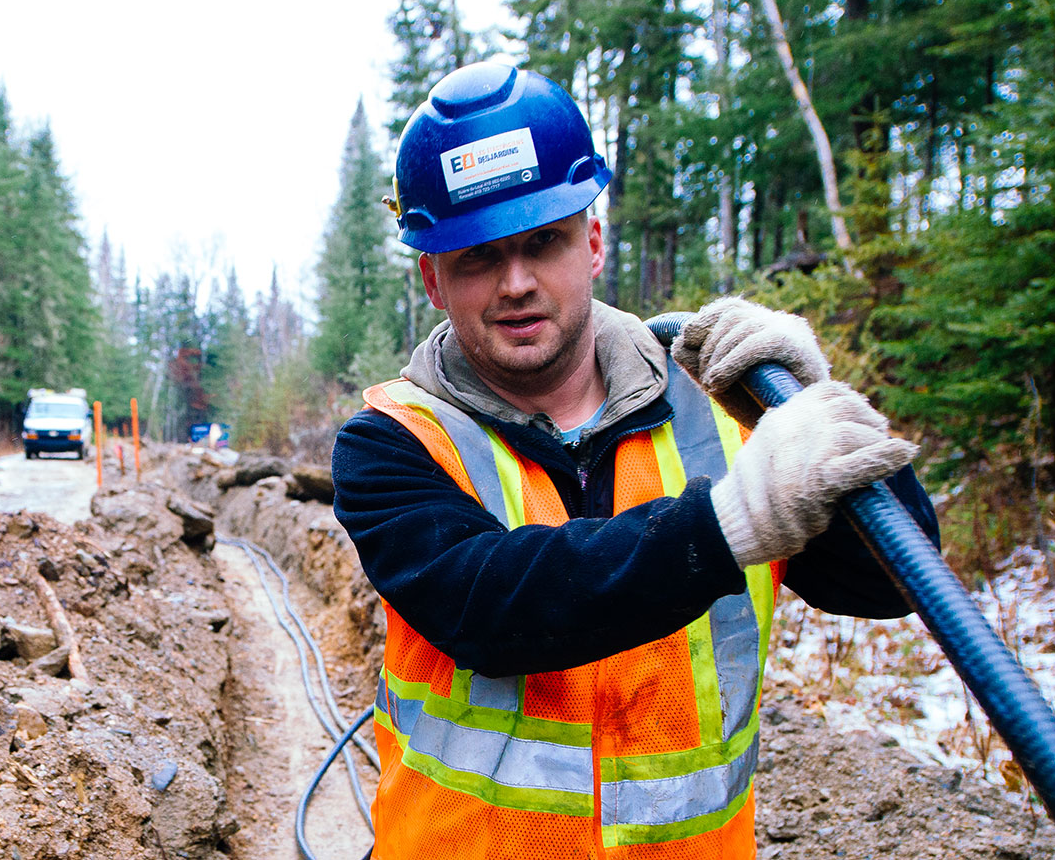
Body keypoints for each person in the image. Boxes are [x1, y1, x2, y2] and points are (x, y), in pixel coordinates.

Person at [332, 61, 940, 859]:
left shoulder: (717, 404)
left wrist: (813, 408)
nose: (515, 283)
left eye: (541, 242)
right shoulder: (394, 440)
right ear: (433, 279)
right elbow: (489, 607)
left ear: (590, 242)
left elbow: (892, 580)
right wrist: (730, 524)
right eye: (477, 257)